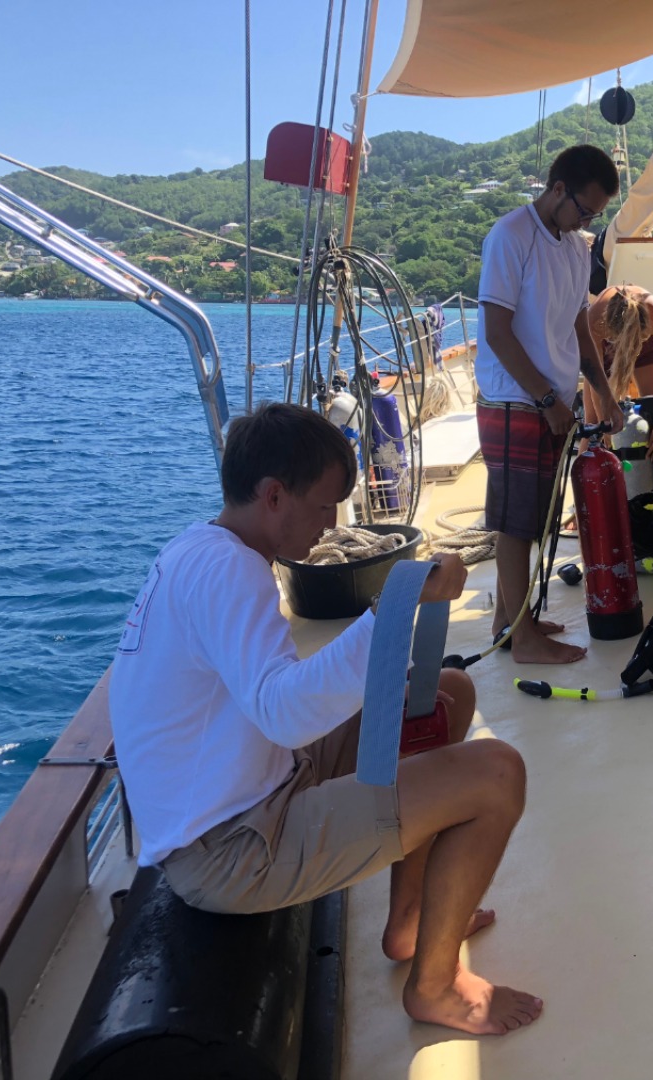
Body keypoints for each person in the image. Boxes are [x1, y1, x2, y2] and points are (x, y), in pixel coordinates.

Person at [110, 402, 541, 1036]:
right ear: (273, 496)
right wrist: (397, 603)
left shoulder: (204, 551)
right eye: (323, 506)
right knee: (498, 774)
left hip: (252, 786)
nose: (332, 524)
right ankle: (435, 989)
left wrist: (393, 631)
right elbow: (284, 713)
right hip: (229, 850)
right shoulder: (230, 571)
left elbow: (271, 706)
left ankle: (409, 922)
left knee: (446, 693)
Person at [476, 144, 624, 665]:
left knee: (535, 518)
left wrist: (603, 393)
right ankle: (523, 641)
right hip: (514, 400)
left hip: (553, 402)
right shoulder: (510, 236)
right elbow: (497, 332)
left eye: (594, 215)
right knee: (516, 523)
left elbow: (579, 329)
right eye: (583, 210)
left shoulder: (578, 249)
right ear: (557, 189)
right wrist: (544, 399)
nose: (586, 222)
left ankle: (509, 620)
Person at [585, 284, 653, 459]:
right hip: (607, 347)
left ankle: (648, 470)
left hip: (645, 345)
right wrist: (604, 424)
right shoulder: (595, 321)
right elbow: (595, 379)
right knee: (592, 422)